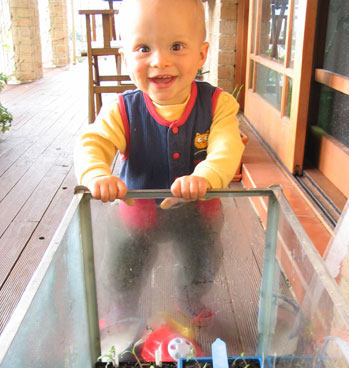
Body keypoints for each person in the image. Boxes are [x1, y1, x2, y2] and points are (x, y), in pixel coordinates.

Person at [74, 0, 245, 327]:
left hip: (197, 211)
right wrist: (97, 172)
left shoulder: (218, 105)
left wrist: (207, 175)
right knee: (124, 261)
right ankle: (124, 307)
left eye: (176, 46)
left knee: (204, 258)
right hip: (138, 213)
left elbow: (227, 146)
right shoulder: (122, 110)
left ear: (202, 54)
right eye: (143, 48)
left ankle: (191, 297)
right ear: (125, 58)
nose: (160, 60)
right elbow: (92, 142)